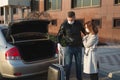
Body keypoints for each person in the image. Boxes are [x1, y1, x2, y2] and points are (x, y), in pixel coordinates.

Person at [57, 11, 86, 80]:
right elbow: (59, 35)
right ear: (67, 18)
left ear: (74, 17)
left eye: (72, 19)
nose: (70, 21)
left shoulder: (79, 24)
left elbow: (84, 32)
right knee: (68, 65)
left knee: (79, 65)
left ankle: (79, 78)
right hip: (68, 47)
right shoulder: (64, 25)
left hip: (78, 47)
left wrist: (90, 37)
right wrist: (58, 43)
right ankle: (67, 78)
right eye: (69, 19)